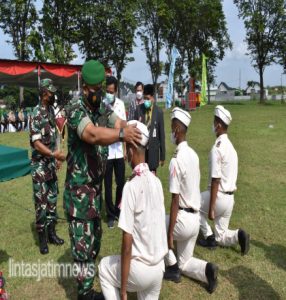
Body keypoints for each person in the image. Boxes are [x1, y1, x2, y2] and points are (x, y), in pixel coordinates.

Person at [63, 59, 141, 300]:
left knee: (94, 241)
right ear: (84, 87)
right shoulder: (76, 108)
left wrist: (128, 133)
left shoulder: (99, 107)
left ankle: (87, 286)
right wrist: (120, 135)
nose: (99, 94)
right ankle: (84, 293)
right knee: (83, 247)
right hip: (80, 193)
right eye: (95, 89)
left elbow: (116, 121)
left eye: (101, 88)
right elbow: (93, 134)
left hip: (94, 192)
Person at [99, 120, 168, 300]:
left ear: (130, 150)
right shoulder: (157, 182)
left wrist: (123, 289)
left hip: (141, 271)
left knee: (104, 268)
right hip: (159, 268)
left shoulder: (131, 186)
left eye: (125, 148)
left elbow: (127, 242)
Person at [164, 107, 218, 294]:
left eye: (172, 128)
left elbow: (174, 199)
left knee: (155, 225)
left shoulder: (176, 159)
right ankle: (207, 270)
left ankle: (171, 268)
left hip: (182, 219)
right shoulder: (193, 155)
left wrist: (170, 233)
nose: (171, 132)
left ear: (177, 131)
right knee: (185, 262)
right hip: (195, 221)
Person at [198, 105, 250, 256]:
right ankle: (239, 235)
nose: (213, 125)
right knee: (221, 236)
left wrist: (212, 207)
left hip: (219, 196)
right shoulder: (232, 148)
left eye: (214, 122)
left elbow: (215, 179)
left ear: (219, 125)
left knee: (191, 205)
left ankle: (208, 237)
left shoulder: (218, 148)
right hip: (230, 200)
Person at [29, 78, 66, 255]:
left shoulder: (51, 110)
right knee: (41, 204)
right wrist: (53, 155)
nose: (53, 95)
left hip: (51, 165)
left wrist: (57, 154)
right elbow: (36, 143)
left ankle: (52, 234)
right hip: (39, 167)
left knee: (52, 201)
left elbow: (56, 134)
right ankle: (42, 239)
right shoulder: (35, 113)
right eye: (51, 92)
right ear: (44, 93)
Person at [103, 76, 127, 228]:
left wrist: (125, 149)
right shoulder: (102, 105)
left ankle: (118, 210)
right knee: (107, 185)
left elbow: (123, 128)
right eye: (107, 91)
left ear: (116, 91)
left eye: (112, 91)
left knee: (120, 183)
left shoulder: (121, 104)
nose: (109, 94)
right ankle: (110, 214)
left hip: (118, 150)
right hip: (106, 151)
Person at [134, 84, 165, 173]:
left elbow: (161, 135)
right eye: (145, 98)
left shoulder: (159, 112)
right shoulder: (139, 110)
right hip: (141, 152)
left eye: (148, 98)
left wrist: (162, 156)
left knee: (152, 180)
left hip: (153, 153)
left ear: (153, 98)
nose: (146, 101)